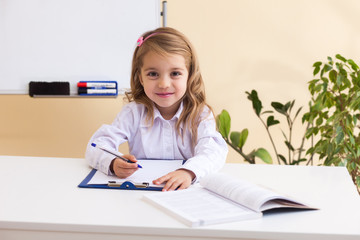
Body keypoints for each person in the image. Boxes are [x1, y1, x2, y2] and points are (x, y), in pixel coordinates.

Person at [85, 27, 228, 191]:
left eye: (175, 73)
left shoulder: (200, 114)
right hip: (141, 194)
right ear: (141, 78)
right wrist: (112, 162)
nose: (164, 84)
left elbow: (214, 151)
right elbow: (96, 145)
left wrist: (188, 172)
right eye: (153, 74)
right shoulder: (133, 113)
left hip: (186, 194)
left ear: (190, 76)